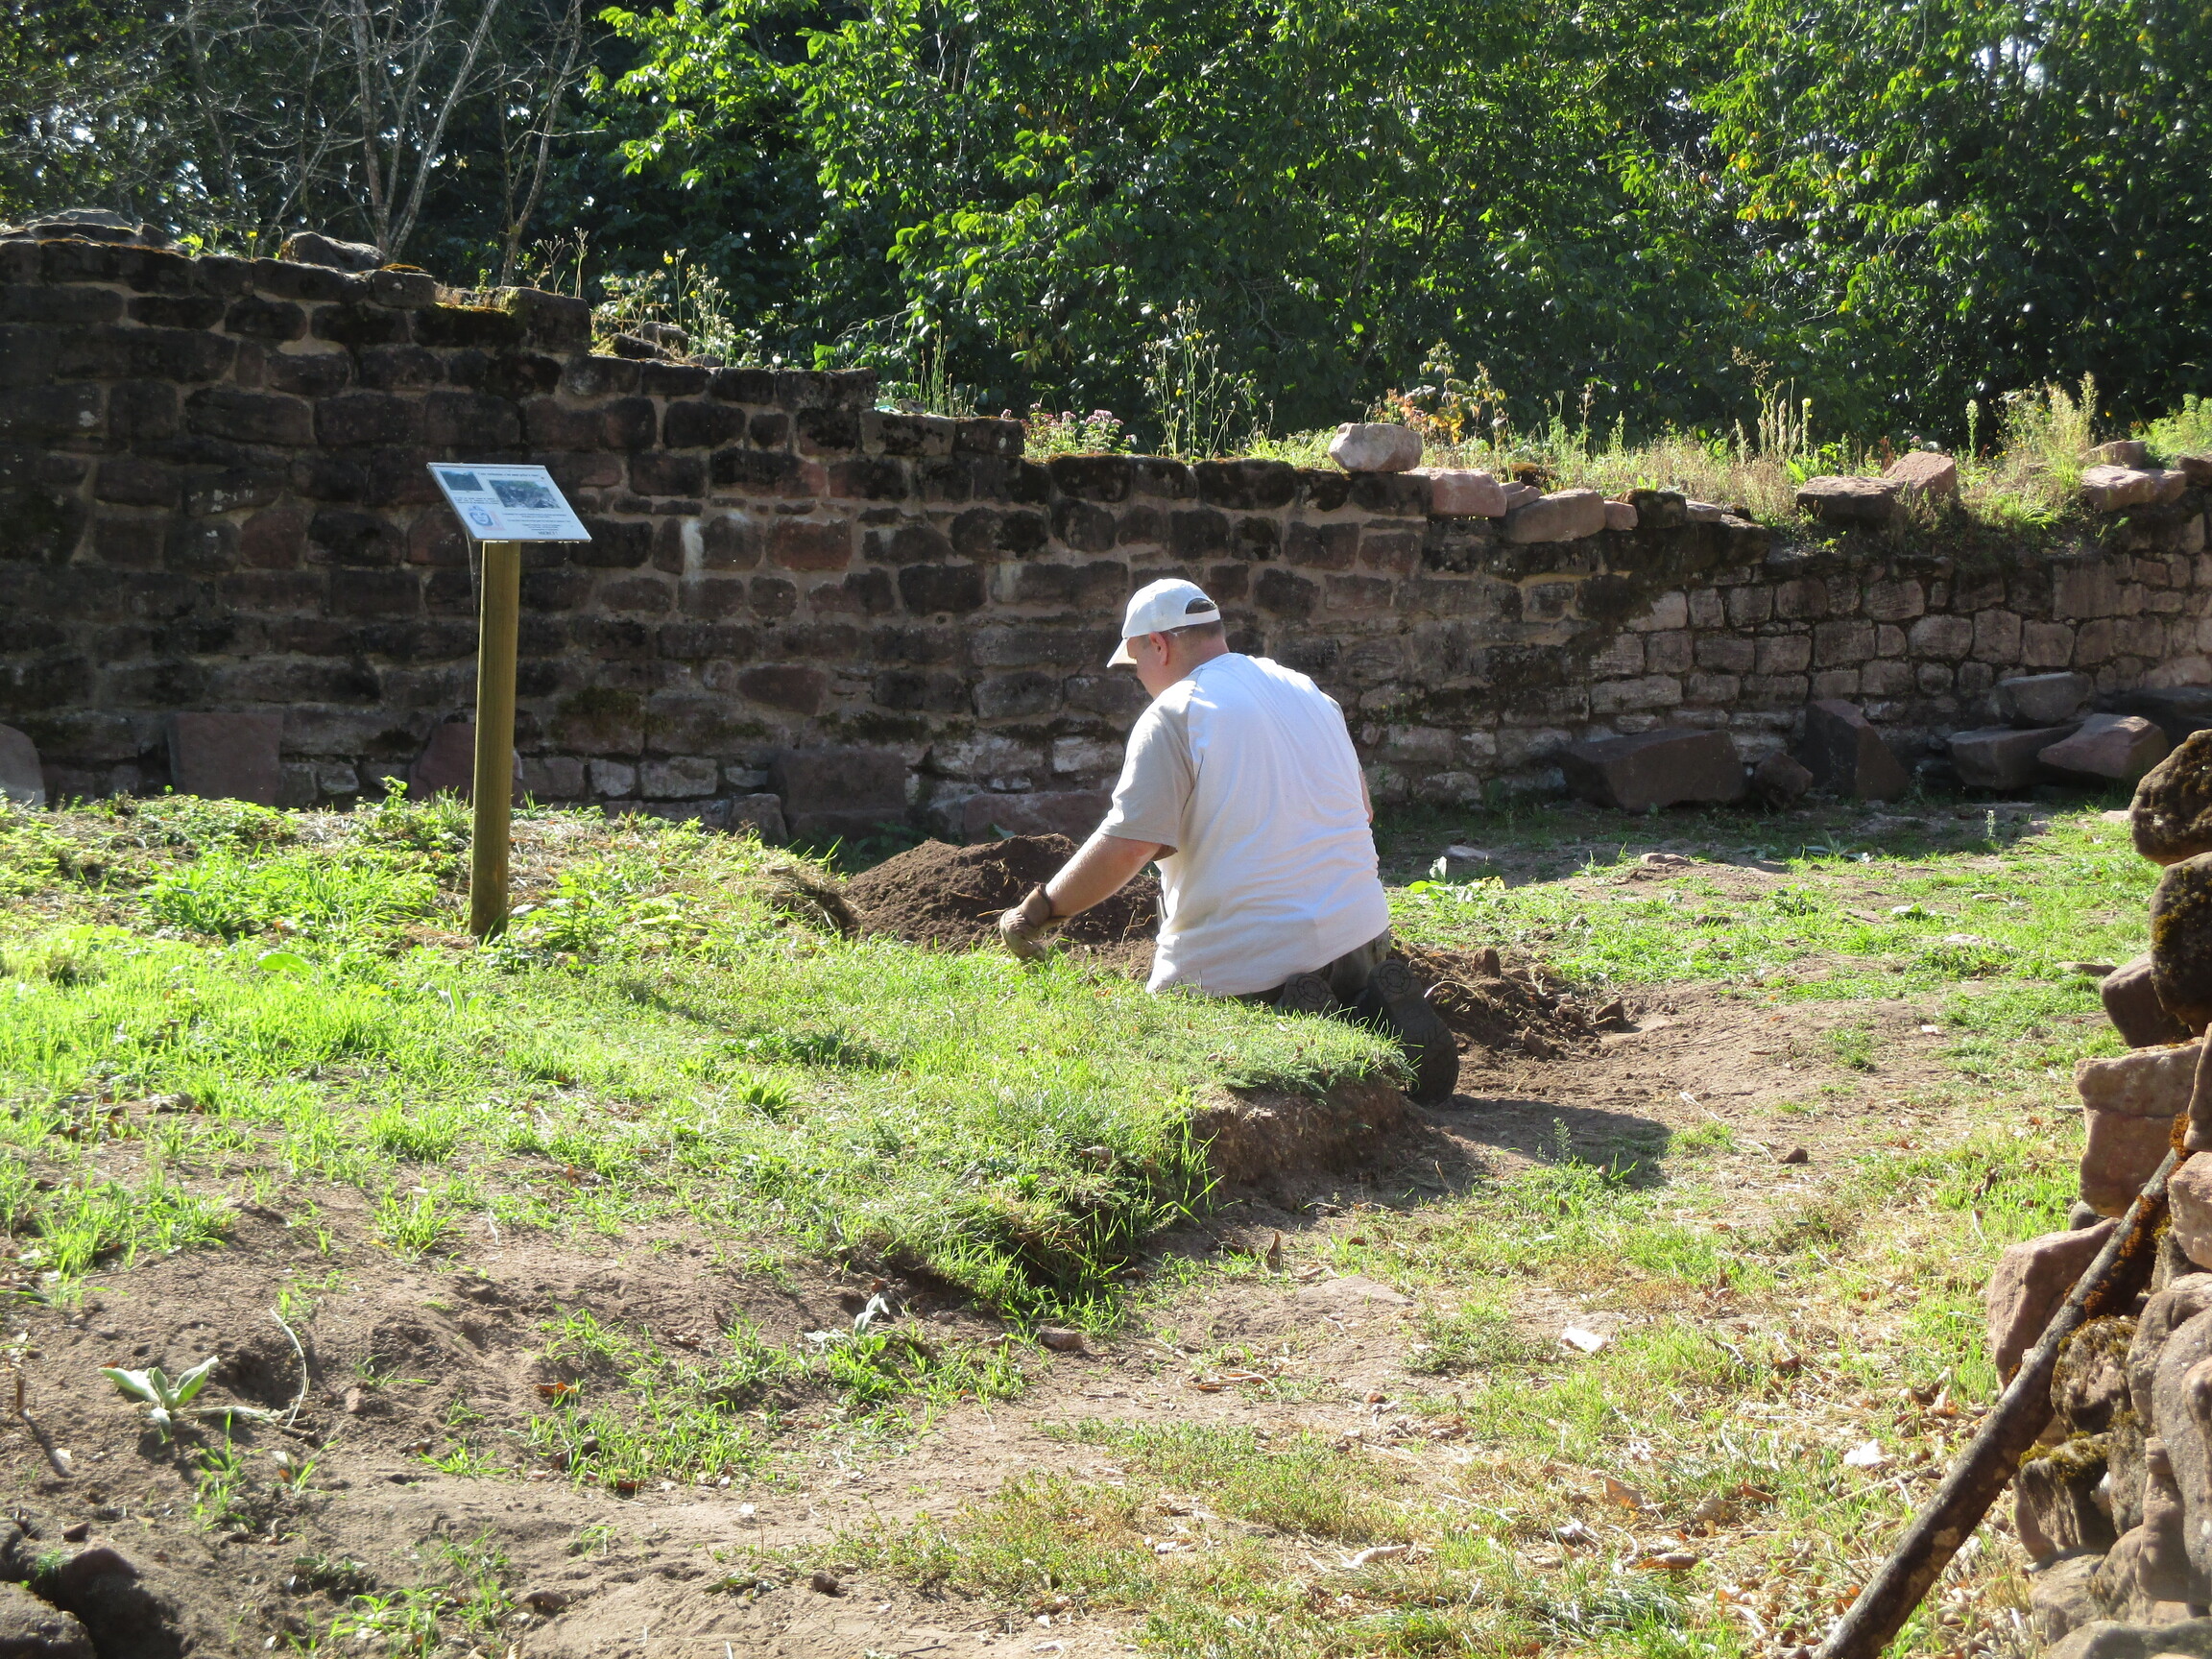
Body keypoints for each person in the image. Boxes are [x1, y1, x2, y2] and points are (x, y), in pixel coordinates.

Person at [998, 577, 1456, 1104]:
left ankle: (1291, 1019)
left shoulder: (1174, 714)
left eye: (1136, 663)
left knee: (1152, 1062)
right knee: (1336, 970)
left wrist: (1040, 910)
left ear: (1158, 645)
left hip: (1247, 963)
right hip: (1363, 938)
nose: (1140, 679)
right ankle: (1360, 1009)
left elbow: (1128, 845)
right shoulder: (1306, 690)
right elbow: (1363, 810)